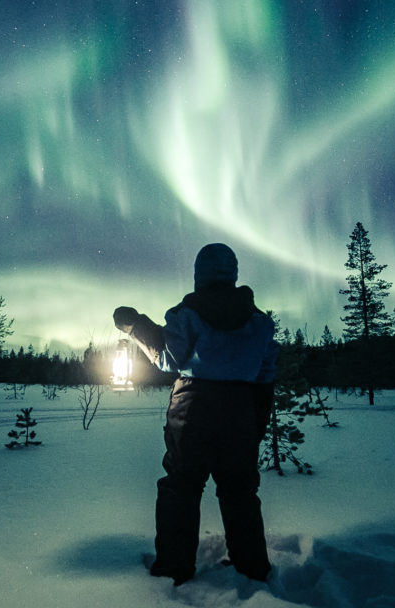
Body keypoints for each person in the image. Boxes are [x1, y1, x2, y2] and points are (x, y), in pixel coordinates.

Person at [113, 243, 278, 586]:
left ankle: (174, 569)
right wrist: (256, 422)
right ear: (232, 274)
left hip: (193, 409)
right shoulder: (260, 322)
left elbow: (168, 360)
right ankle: (252, 568)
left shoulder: (186, 314)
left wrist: (137, 327)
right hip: (240, 410)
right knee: (239, 492)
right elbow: (265, 375)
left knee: (181, 488)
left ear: (199, 274)